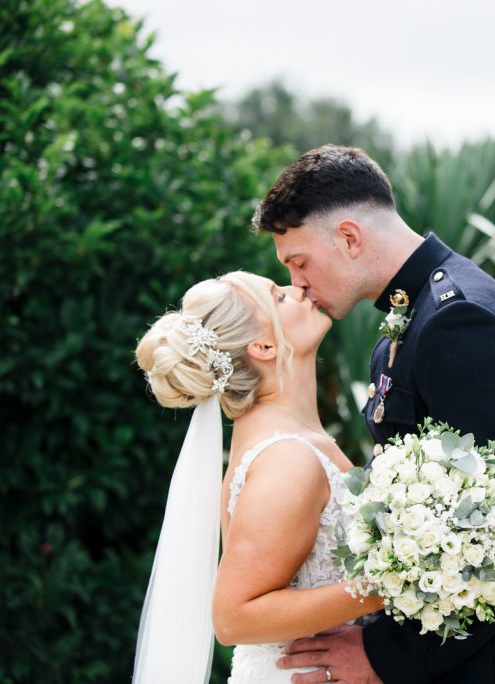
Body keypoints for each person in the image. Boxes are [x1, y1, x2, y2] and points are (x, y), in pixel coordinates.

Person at [253, 145, 495, 683]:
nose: (298, 283)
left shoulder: (459, 319)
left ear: (349, 237)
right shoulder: (409, 317)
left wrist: (384, 656)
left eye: (299, 262)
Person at [133, 271, 384, 683]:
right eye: (279, 297)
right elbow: (234, 618)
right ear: (263, 347)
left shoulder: (292, 440)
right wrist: (385, 587)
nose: (297, 288)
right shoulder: (287, 457)